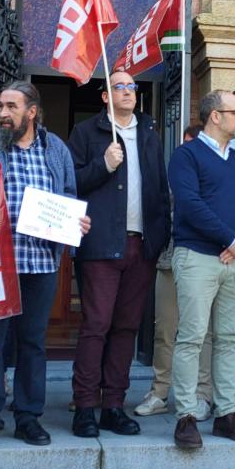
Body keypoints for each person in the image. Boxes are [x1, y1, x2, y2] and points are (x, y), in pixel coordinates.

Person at [0, 82, 89, 450]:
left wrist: (75, 222)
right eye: (0, 105)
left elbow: (68, 195)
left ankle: (28, 417)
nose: (2, 112)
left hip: (40, 262)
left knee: (33, 342)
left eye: (10, 106)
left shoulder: (56, 148)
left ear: (31, 112)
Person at [69, 72, 170, 437]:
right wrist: (104, 165)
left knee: (126, 328)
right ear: (105, 97)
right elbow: (71, 182)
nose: (127, 91)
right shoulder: (86, 133)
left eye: (132, 87)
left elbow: (159, 189)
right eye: (119, 87)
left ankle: (114, 404)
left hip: (140, 245)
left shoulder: (149, 134)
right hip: (100, 245)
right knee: (96, 326)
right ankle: (84, 406)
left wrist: (159, 237)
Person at [167, 90, 235, 450]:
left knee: (228, 338)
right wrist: (228, 238)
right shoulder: (186, 155)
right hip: (197, 257)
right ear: (215, 117)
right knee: (191, 337)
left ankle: (225, 413)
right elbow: (190, 204)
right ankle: (186, 416)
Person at [134, 124, 214, 421]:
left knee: (201, 332)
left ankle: (201, 394)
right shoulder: (173, 173)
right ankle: (160, 391)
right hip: (169, 259)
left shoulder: (215, 175)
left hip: (205, 258)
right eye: (185, 145)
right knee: (165, 329)